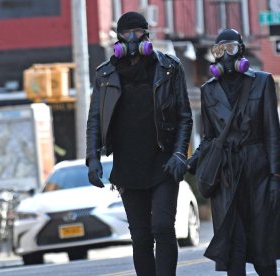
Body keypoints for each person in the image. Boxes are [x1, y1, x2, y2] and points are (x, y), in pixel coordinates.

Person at [85, 12, 192, 276]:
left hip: (163, 162)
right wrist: (93, 158)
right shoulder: (105, 74)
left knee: (164, 227)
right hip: (128, 167)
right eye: (126, 33)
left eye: (137, 32)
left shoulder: (169, 67)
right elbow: (95, 120)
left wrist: (179, 153)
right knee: (141, 238)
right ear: (117, 38)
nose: (132, 38)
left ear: (147, 34)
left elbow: (184, 116)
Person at [187, 28, 280, 276]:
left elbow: (273, 133)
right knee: (233, 249)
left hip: (258, 172)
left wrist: (275, 177)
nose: (225, 55)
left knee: (263, 248)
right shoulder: (208, 89)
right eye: (218, 50)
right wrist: (191, 162)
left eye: (230, 48)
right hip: (227, 176)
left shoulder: (262, 82)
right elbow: (209, 138)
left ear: (241, 50)